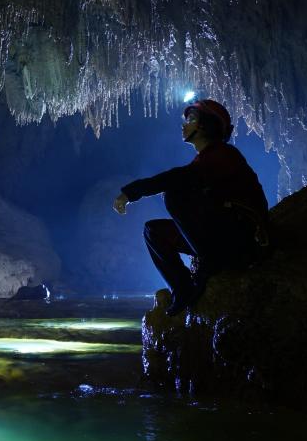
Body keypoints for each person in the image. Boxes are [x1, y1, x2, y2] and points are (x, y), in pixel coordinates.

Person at [113, 99, 269, 317]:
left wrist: (132, 192)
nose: (184, 125)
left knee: (175, 193)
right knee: (153, 231)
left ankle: (210, 263)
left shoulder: (224, 155)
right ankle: (182, 289)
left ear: (206, 125)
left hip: (240, 238)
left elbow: (179, 178)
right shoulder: (204, 160)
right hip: (220, 233)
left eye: (191, 119)